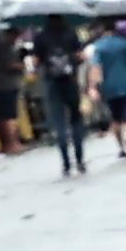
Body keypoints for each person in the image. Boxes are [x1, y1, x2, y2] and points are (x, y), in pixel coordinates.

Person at [30, 21, 88, 176]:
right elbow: (81, 56)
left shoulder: (40, 37)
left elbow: (35, 62)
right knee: (76, 120)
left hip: (51, 84)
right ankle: (80, 160)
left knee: (59, 122)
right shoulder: (71, 33)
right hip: (71, 82)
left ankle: (66, 163)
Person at [90, 16, 126, 165]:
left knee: (115, 119)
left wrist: (93, 87)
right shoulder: (124, 44)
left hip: (109, 87)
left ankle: (122, 146)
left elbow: (96, 67)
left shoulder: (99, 46)